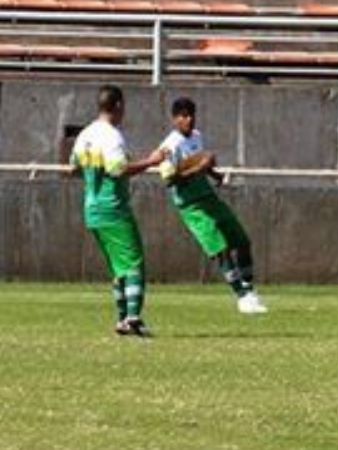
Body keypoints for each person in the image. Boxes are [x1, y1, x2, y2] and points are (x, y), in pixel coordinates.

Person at [70, 84, 166, 336]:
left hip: (92, 211)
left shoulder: (85, 135)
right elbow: (119, 169)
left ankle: (123, 318)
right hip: (113, 209)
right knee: (133, 262)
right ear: (119, 106)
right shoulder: (111, 136)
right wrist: (152, 161)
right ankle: (133, 318)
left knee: (118, 267)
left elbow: (73, 167)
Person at [157, 97, 267, 314]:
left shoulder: (196, 137)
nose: (189, 120)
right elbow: (170, 180)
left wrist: (215, 175)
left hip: (208, 196)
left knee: (242, 240)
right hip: (191, 205)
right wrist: (199, 168)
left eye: (192, 115)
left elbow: (202, 164)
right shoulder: (170, 146)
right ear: (175, 119)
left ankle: (249, 290)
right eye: (184, 116)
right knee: (221, 248)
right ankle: (241, 297)